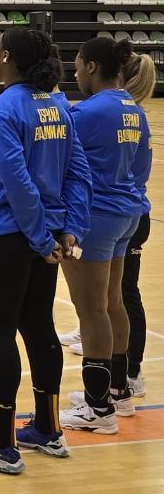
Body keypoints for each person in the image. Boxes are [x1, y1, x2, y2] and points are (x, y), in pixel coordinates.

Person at [0, 27, 91, 475]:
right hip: (45, 238)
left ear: (7, 57)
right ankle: (48, 429)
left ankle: (1, 443)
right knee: (39, 328)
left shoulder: (3, 109)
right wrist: (67, 230)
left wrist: (39, 237)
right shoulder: (59, 106)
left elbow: (16, 183)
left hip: (8, 237)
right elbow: (78, 173)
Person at [56, 38, 147, 435]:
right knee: (112, 302)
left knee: (91, 309)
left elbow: (60, 159)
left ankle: (98, 410)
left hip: (96, 216)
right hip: (128, 211)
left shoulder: (88, 111)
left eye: (77, 65)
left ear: (92, 67)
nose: (74, 72)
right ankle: (119, 393)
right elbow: (142, 166)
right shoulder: (133, 108)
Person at [119, 52, 156, 397]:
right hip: (133, 210)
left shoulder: (126, 117)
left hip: (128, 213)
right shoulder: (134, 115)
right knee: (116, 292)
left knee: (126, 293)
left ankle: (132, 371)